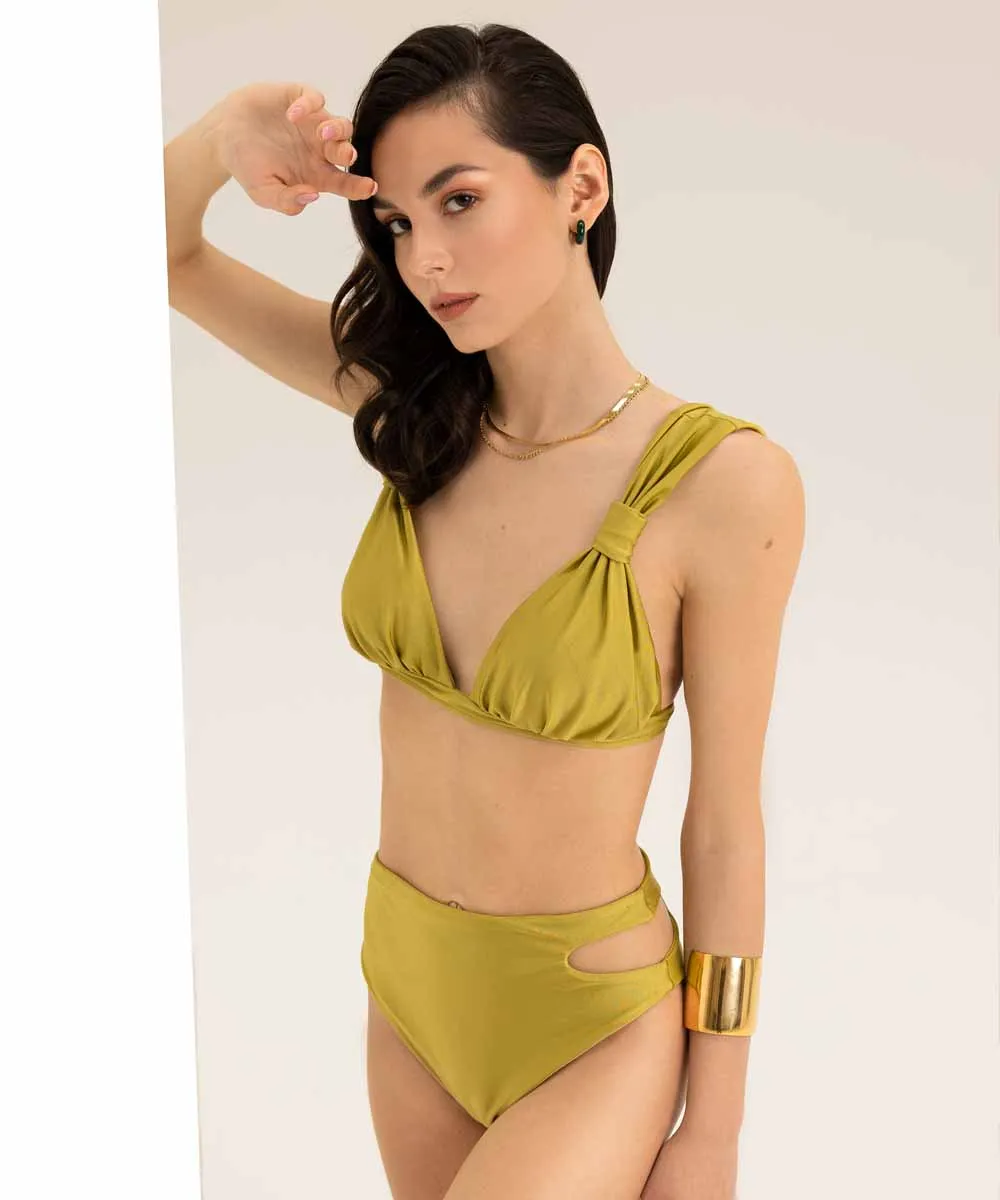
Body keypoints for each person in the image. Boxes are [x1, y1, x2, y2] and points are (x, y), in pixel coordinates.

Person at [165, 22, 805, 1200]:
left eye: (459, 200)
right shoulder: (414, 409)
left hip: (585, 1025)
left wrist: (711, 1131)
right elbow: (158, 255)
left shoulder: (724, 485)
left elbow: (723, 824)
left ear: (581, 188)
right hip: (405, 991)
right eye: (398, 222)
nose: (426, 259)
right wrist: (219, 135)